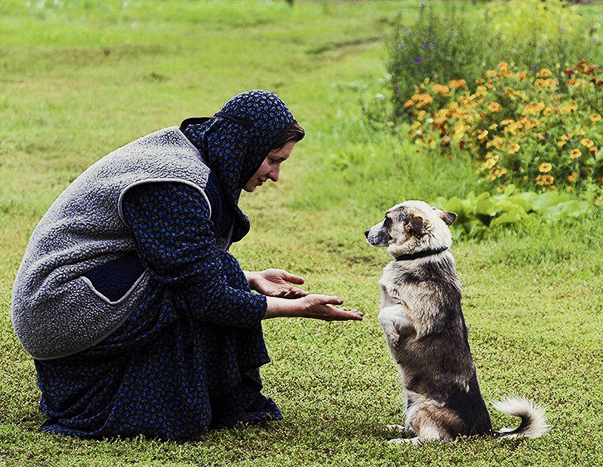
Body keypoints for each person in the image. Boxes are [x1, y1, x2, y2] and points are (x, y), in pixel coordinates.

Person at [10, 90, 362, 440]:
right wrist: (298, 307)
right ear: (246, 147)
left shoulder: (199, 154)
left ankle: (211, 398)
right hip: (59, 306)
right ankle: (143, 406)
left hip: (83, 291)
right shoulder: (177, 183)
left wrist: (249, 278)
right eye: (272, 159)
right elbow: (205, 297)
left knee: (219, 271)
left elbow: (187, 261)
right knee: (204, 283)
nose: (275, 175)